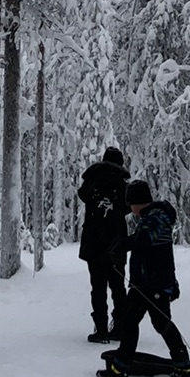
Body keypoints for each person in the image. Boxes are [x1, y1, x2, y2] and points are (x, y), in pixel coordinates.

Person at [102, 178, 189, 377]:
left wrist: (121, 246)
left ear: (137, 202)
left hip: (155, 284)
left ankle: (182, 364)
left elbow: (144, 241)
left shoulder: (157, 218)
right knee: (129, 321)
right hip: (142, 284)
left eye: (130, 203)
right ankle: (120, 366)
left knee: (161, 322)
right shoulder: (150, 218)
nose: (130, 208)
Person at [76, 145, 130, 342]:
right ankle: (120, 327)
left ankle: (100, 329)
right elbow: (128, 207)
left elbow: (82, 195)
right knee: (118, 286)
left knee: (97, 287)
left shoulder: (92, 179)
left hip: (94, 241)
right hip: (116, 242)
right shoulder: (123, 184)